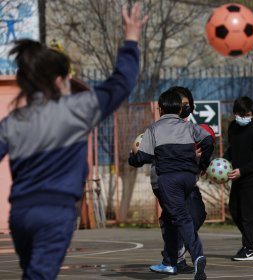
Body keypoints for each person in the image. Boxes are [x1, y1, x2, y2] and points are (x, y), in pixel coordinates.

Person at [0, 4, 148, 279]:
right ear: (59, 81)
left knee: (33, 273)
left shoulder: (12, 122)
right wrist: (131, 40)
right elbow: (121, 83)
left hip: (20, 214)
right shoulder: (78, 109)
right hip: (54, 213)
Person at [129, 88, 214, 280]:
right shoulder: (188, 127)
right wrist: (203, 163)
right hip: (189, 178)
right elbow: (208, 140)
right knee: (171, 218)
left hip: (168, 179)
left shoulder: (154, 128)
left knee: (182, 218)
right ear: (179, 110)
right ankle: (169, 263)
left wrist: (131, 157)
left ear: (160, 108)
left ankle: (197, 254)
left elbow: (143, 156)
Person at [223, 96, 253, 261]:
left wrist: (242, 170)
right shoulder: (233, 127)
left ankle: (249, 248)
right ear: (235, 113)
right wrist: (223, 161)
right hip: (237, 177)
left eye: (248, 115)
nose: (244, 118)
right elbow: (232, 149)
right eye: (241, 114)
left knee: (247, 214)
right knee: (234, 209)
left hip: (251, 177)